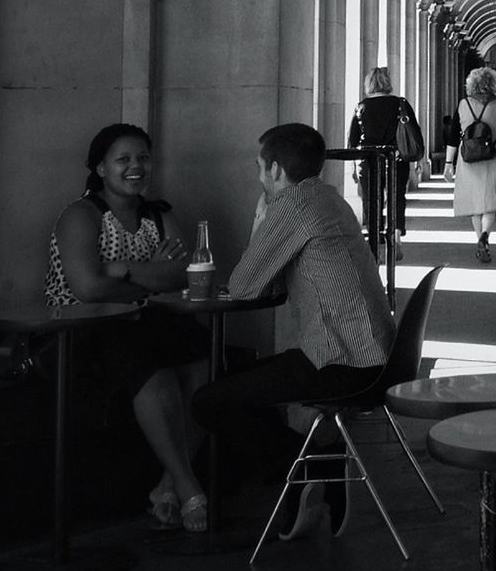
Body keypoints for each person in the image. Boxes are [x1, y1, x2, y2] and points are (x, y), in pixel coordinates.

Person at [191, 123, 397, 540]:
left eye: (259, 168)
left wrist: (259, 217)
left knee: (209, 402)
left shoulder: (292, 207)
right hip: (379, 358)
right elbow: (279, 286)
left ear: (277, 171)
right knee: (237, 387)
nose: (257, 178)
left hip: (340, 362)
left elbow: (246, 287)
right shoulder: (330, 198)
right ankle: (314, 468)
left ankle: (306, 467)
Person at [45, 123, 210, 532]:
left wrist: (122, 270)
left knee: (207, 365)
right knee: (156, 377)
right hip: (83, 330)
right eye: (123, 159)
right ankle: (189, 488)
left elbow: (183, 277)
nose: (136, 166)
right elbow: (87, 288)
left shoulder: (160, 214)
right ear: (100, 168)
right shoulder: (81, 215)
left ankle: (167, 486)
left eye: (143, 158)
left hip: (142, 320)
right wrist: (153, 274)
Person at [442, 67, 496, 262]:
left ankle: (481, 240)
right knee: (490, 203)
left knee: (475, 204)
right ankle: (485, 235)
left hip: (469, 159)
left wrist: (448, 163)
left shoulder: (463, 104)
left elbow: (452, 137)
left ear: (471, 84)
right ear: (494, 84)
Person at [347, 65, 419, 259]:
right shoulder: (400, 104)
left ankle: (374, 239)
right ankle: (395, 238)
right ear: (387, 83)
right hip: (396, 159)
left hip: (368, 161)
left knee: (371, 200)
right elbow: (414, 132)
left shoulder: (361, 106)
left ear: (368, 84)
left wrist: (353, 167)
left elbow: (353, 141)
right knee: (397, 198)